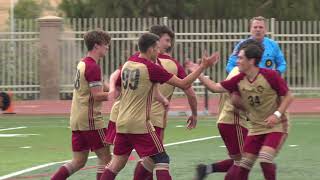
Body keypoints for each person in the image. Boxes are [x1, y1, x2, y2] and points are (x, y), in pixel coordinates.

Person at [100, 32, 219, 180]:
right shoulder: (151, 68)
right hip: (140, 124)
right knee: (162, 159)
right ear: (150, 49)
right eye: (156, 48)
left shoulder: (128, 63)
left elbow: (125, 86)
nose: (159, 51)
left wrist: (162, 99)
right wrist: (202, 66)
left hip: (122, 122)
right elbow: (184, 83)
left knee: (116, 164)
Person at [186, 40, 294, 180]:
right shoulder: (239, 79)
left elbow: (289, 95)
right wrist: (199, 71)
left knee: (265, 158)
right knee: (243, 165)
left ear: (251, 61)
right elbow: (215, 88)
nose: (237, 61)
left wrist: (276, 114)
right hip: (256, 127)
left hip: (276, 125)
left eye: (240, 58)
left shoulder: (270, 76)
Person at [133, 25, 198, 180]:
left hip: (131, 117)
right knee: (159, 159)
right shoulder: (172, 65)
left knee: (146, 160)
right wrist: (194, 113)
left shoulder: (136, 59)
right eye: (166, 40)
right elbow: (189, 91)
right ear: (155, 41)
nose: (169, 45)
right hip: (153, 120)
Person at [51, 29, 113, 180]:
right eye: (105, 45)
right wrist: (116, 95)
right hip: (90, 120)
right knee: (107, 159)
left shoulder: (83, 63)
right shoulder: (93, 67)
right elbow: (97, 95)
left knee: (78, 161)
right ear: (97, 46)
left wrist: (113, 86)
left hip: (77, 119)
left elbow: (98, 86)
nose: (107, 48)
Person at [194, 39, 260, 180]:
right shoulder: (240, 73)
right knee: (243, 161)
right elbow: (235, 99)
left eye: (239, 57)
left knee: (241, 160)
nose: (236, 60)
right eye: (239, 56)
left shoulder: (242, 72)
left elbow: (216, 87)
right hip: (233, 120)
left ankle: (207, 169)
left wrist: (198, 72)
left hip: (228, 121)